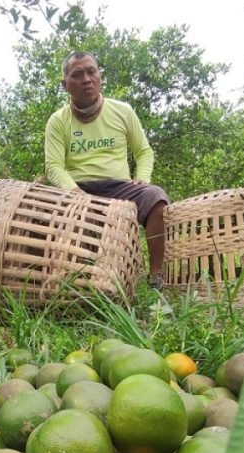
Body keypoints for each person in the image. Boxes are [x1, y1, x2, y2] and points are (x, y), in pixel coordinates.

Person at [44, 50, 170, 289]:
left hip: (120, 187)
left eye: (91, 72)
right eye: (77, 75)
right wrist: (74, 192)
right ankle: (69, 283)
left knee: (156, 198)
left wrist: (142, 178)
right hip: (78, 189)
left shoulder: (123, 111)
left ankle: (156, 277)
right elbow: (53, 166)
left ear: (99, 75)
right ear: (65, 84)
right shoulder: (58, 121)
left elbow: (144, 151)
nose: (86, 79)